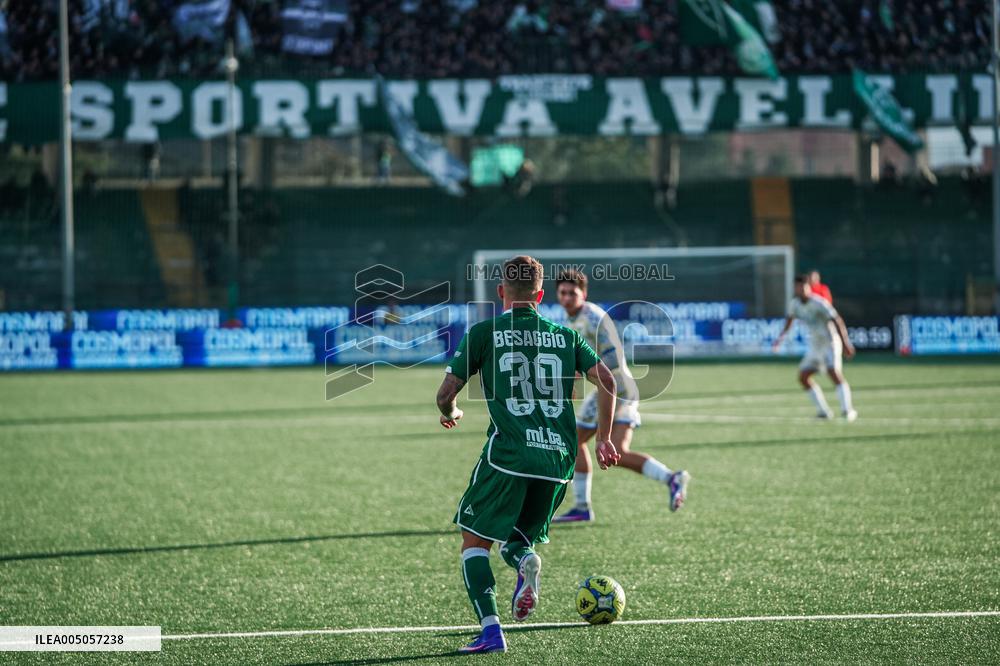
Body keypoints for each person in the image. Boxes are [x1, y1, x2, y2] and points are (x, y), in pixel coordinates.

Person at [435, 255, 621, 654]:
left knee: (474, 542)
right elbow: (607, 378)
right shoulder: (566, 335)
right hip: (558, 461)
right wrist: (604, 438)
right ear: (540, 295)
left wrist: (451, 413)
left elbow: (445, 395)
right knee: (517, 540)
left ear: (502, 292)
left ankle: (490, 630)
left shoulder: (485, 332)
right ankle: (524, 562)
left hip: (509, 455)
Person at [552, 269, 690, 523]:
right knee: (617, 452)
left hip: (615, 386)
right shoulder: (573, 319)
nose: (568, 297)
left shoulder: (591, 317)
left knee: (575, 440)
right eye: (563, 292)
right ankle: (672, 478)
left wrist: (585, 375)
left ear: (584, 293)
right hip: (616, 386)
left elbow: (612, 358)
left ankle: (582, 506)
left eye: (573, 292)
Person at [773, 275, 857, 421]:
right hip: (815, 346)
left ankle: (847, 411)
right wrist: (780, 339)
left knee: (833, 373)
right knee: (803, 377)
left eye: (803, 287)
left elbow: (837, 320)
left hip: (830, 342)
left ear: (808, 287)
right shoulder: (795, 304)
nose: (800, 290)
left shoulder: (819, 303)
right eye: (798, 287)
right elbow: (790, 320)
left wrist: (846, 343)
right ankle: (823, 411)